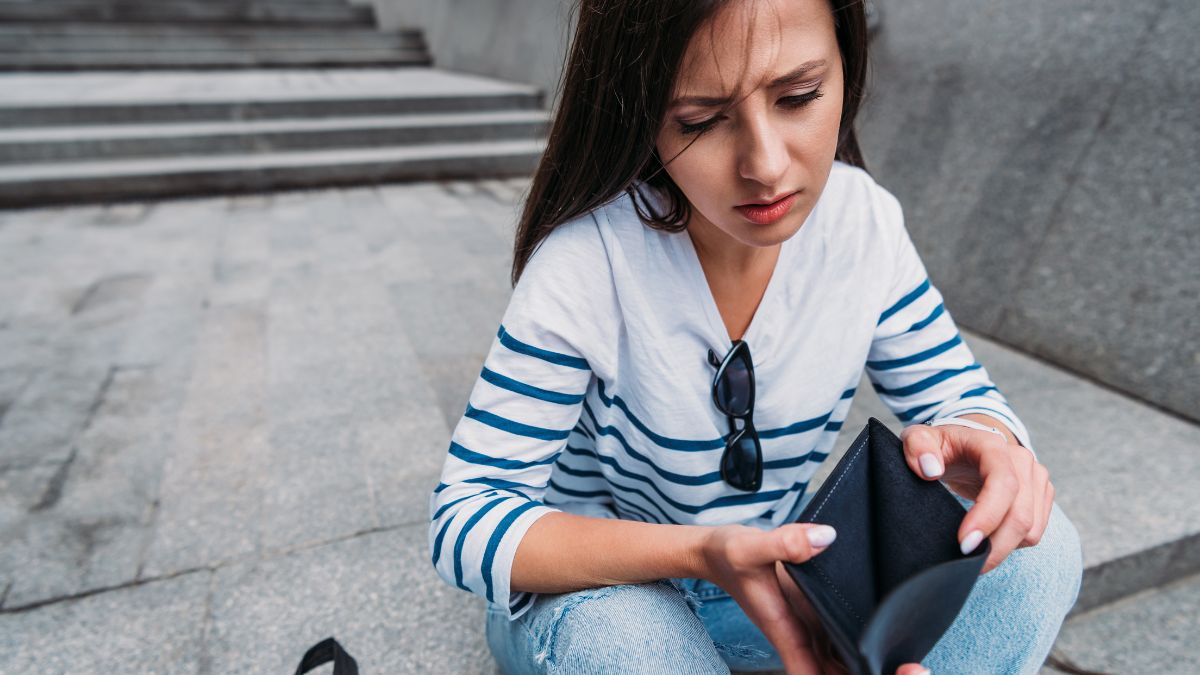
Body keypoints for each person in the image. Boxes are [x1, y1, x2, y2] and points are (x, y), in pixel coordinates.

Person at [428, 0, 1084, 672]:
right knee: (631, 643)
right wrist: (699, 550)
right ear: (638, 108)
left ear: (848, 68)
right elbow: (465, 518)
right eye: (702, 120)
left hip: (778, 592)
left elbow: (959, 394)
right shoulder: (589, 260)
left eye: (798, 96)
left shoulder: (863, 224)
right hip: (612, 594)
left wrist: (990, 444)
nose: (766, 165)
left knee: (1042, 548)